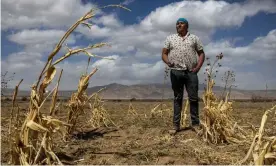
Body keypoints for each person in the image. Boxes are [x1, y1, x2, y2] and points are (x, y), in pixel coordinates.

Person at [161, 18, 205, 134]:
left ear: (187, 26)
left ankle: (195, 124)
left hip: (191, 72)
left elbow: (201, 54)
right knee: (177, 98)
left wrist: (197, 68)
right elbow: (164, 53)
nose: (178, 25)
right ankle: (176, 126)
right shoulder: (170, 38)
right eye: (177, 23)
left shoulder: (194, 38)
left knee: (193, 98)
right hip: (176, 72)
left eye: (181, 23)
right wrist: (168, 62)